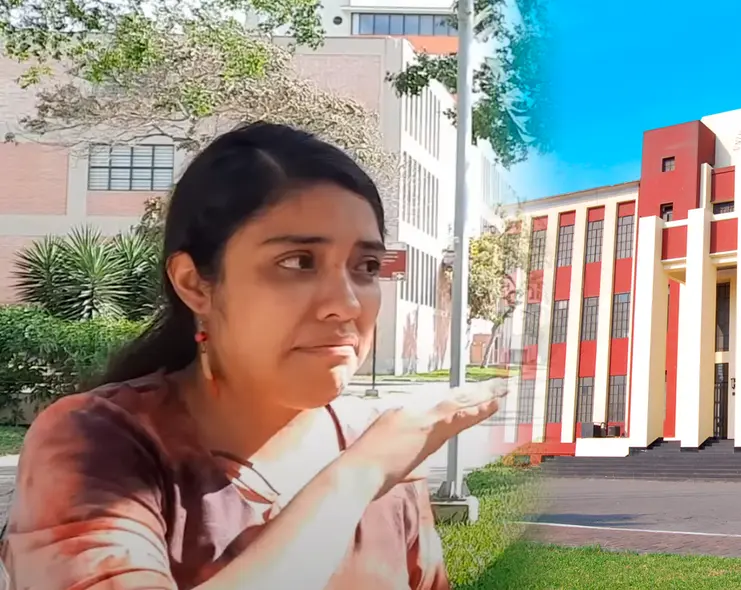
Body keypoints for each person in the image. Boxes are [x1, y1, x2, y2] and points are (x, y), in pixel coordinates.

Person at [0, 122, 502, 590]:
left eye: (366, 266)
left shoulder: (384, 448)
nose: (347, 304)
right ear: (195, 284)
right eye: (298, 262)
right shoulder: (99, 442)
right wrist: (358, 477)